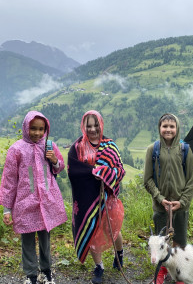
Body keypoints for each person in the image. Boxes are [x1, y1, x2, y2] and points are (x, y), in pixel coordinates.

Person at [0, 111, 67, 284]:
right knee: (27, 241)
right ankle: (31, 275)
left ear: (46, 129)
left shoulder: (49, 146)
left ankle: (47, 272)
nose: (37, 133)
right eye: (33, 128)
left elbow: (59, 168)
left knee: (45, 240)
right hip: (25, 204)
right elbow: (9, 180)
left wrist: (54, 161)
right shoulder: (16, 149)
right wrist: (7, 209)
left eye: (41, 129)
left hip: (46, 203)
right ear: (26, 127)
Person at [67, 110, 125, 284]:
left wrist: (105, 174)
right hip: (86, 198)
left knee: (111, 228)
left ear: (101, 124)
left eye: (95, 125)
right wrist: (93, 172)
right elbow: (74, 171)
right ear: (83, 126)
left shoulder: (109, 145)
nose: (92, 129)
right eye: (88, 125)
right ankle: (99, 266)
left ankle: (119, 254)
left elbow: (119, 169)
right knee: (91, 230)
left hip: (105, 196)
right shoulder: (77, 148)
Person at [144, 113, 193, 284]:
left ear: (177, 129)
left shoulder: (185, 150)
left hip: (180, 207)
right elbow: (148, 180)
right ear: (159, 128)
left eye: (172, 126)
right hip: (161, 207)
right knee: (160, 243)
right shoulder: (153, 150)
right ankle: (161, 272)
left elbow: (191, 180)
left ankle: (179, 274)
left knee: (180, 242)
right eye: (165, 126)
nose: (168, 129)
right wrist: (160, 198)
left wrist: (182, 202)